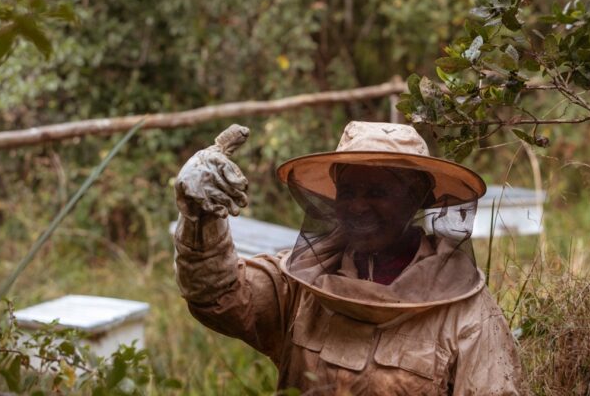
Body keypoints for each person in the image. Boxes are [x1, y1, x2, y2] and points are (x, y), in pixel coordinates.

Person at [173, 121, 526, 395]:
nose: (358, 205)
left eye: (377, 192)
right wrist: (199, 217)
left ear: (417, 198)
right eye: (349, 191)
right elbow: (218, 297)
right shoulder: (300, 283)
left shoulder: (467, 308)